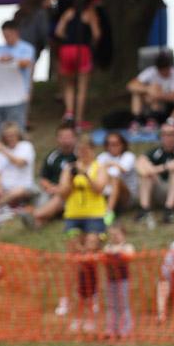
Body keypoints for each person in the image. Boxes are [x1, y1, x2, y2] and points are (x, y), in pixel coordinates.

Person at [57, 134, 108, 331]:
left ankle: (93, 296)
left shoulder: (99, 168)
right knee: (72, 259)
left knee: (91, 258)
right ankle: (67, 298)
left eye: (85, 150)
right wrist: (71, 178)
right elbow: (63, 193)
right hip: (73, 215)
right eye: (79, 150)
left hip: (94, 216)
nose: (82, 154)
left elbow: (99, 189)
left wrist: (85, 175)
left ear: (91, 150)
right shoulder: (69, 168)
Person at [54, 0, 101, 129]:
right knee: (82, 86)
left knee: (70, 83)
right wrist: (91, 43)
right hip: (82, 50)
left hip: (66, 50)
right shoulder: (90, 14)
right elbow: (97, 34)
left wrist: (67, 38)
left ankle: (69, 112)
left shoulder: (68, 13)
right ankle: (79, 120)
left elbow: (58, 32)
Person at [135, 122, 174, 226]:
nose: (167, 137)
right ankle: (144, 208)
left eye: (171, 134)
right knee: (145, 174)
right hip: (160, 191)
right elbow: (140, 161)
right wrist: (147, 169)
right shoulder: (156, 151)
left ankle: (169, 209)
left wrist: (159, 168)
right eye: (164, 134)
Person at [0, 21, 35, 136]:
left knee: (16, 130)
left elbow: (26, 63)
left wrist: (10, 60)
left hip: (18, 94)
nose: (6, 38)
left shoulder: (26, 48)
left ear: (16, 32)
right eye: (4, 35)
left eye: (8, 35)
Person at [25, 120, 77, 230]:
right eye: (62, 137)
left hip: (70, 192)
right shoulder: (52, 157)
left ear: (74, 138)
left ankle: (33, 214)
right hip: (52, 190)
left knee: (58, 198)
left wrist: (61, 189)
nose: (65, 140)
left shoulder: (79, 156)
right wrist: (50, 187)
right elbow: (43, 177)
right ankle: (38, 223)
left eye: (68, 137)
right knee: (47, 197)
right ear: (57, 139)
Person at [126, 50, 174, 133]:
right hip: (148, 102)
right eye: (162, 71)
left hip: (165, 105)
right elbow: (131, 85)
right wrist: (148, 89)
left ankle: (153, 120)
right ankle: (136, 121)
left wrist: (160, 94)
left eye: (166, 70)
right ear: (158, 69)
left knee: (156, 88)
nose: (165, 73)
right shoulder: (151, 71)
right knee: (138, 92)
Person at [13, 0, 50, 105]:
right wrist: (44, 46)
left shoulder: (19, 13)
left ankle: (17, 108)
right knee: (27, 82)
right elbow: (43, 32)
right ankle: (24, 112)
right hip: (32, 48)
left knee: (17, 79)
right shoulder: (40, 13)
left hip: (15, 49)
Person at [0, 121, 36, 206]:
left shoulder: (26, 146)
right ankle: (1, 201)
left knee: (17, 192)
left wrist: (4, 151)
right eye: (8, 135)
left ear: (18, 134)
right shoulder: (0, 152)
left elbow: (20, 162)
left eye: (12, 135)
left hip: (22, 187)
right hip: (3, 188)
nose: (10, 138)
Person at [102, 222, 135, 338]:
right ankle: (111, 327)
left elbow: (130, 255)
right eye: (112, 234)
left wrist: (118, 253)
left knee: (123, 304)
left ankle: (125, 327)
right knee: (112, 304)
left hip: (123, 280)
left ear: (123, 234)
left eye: (117, 234)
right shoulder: (108, 247)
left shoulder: (127, 246)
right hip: (110, 280)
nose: (115, 237)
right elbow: (103, 255)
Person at [97, 132, 137, 224]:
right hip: (107, 191)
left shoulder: (128, 156)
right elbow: (94, 171)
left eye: (115, 144)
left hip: (127, 197)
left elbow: (118, 172)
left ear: (122, 145)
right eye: (109, 144)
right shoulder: (103, 156)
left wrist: (107, 166)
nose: (112, 147)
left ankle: (109, 213)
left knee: (115, 180)